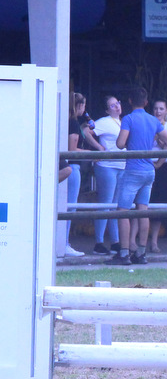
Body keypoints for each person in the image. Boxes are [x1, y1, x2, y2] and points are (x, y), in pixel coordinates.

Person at [105, 87, 167, 266]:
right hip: (149, 170)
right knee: (143, 210)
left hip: (133, 170)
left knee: (123, 211)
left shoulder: (128, 119)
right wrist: (159, 162)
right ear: (146, 102)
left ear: (129, 101)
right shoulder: (153, 120)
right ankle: (141, 253)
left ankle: (124, 253)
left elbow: (120, 143)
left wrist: (129, 141)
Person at [64, 92, 102, 257]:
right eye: (84, 105)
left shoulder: (73, 122)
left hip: (72, 167)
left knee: (69, 206)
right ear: (79, 106)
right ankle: (64, 243)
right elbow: (72, 149)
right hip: (73, 167)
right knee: (70, 207)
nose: (85, 109)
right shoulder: (72, 123)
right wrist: (90, 153)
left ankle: (64, 242)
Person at [90, 96, 125, 255]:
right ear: (107, 110)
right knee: (105, 203)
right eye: (112, 105)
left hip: (121, 165)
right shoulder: (104, 121)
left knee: (115, 205)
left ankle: (115, 242)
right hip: (107, 166)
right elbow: (86, 131)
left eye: (117, 103)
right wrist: (98, 147)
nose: (117, 107)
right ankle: (99, 242)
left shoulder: (122, 122)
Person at [147, 98, 167, 252]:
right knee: (142, 204)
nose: (158, 111)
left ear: (166, 111)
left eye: (161, 109)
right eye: (155, 108)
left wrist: (162, 143)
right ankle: (135, 242)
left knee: (157, 206)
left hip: (164, 169)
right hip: (147, 165)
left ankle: (154, 242)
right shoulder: (147, 125)